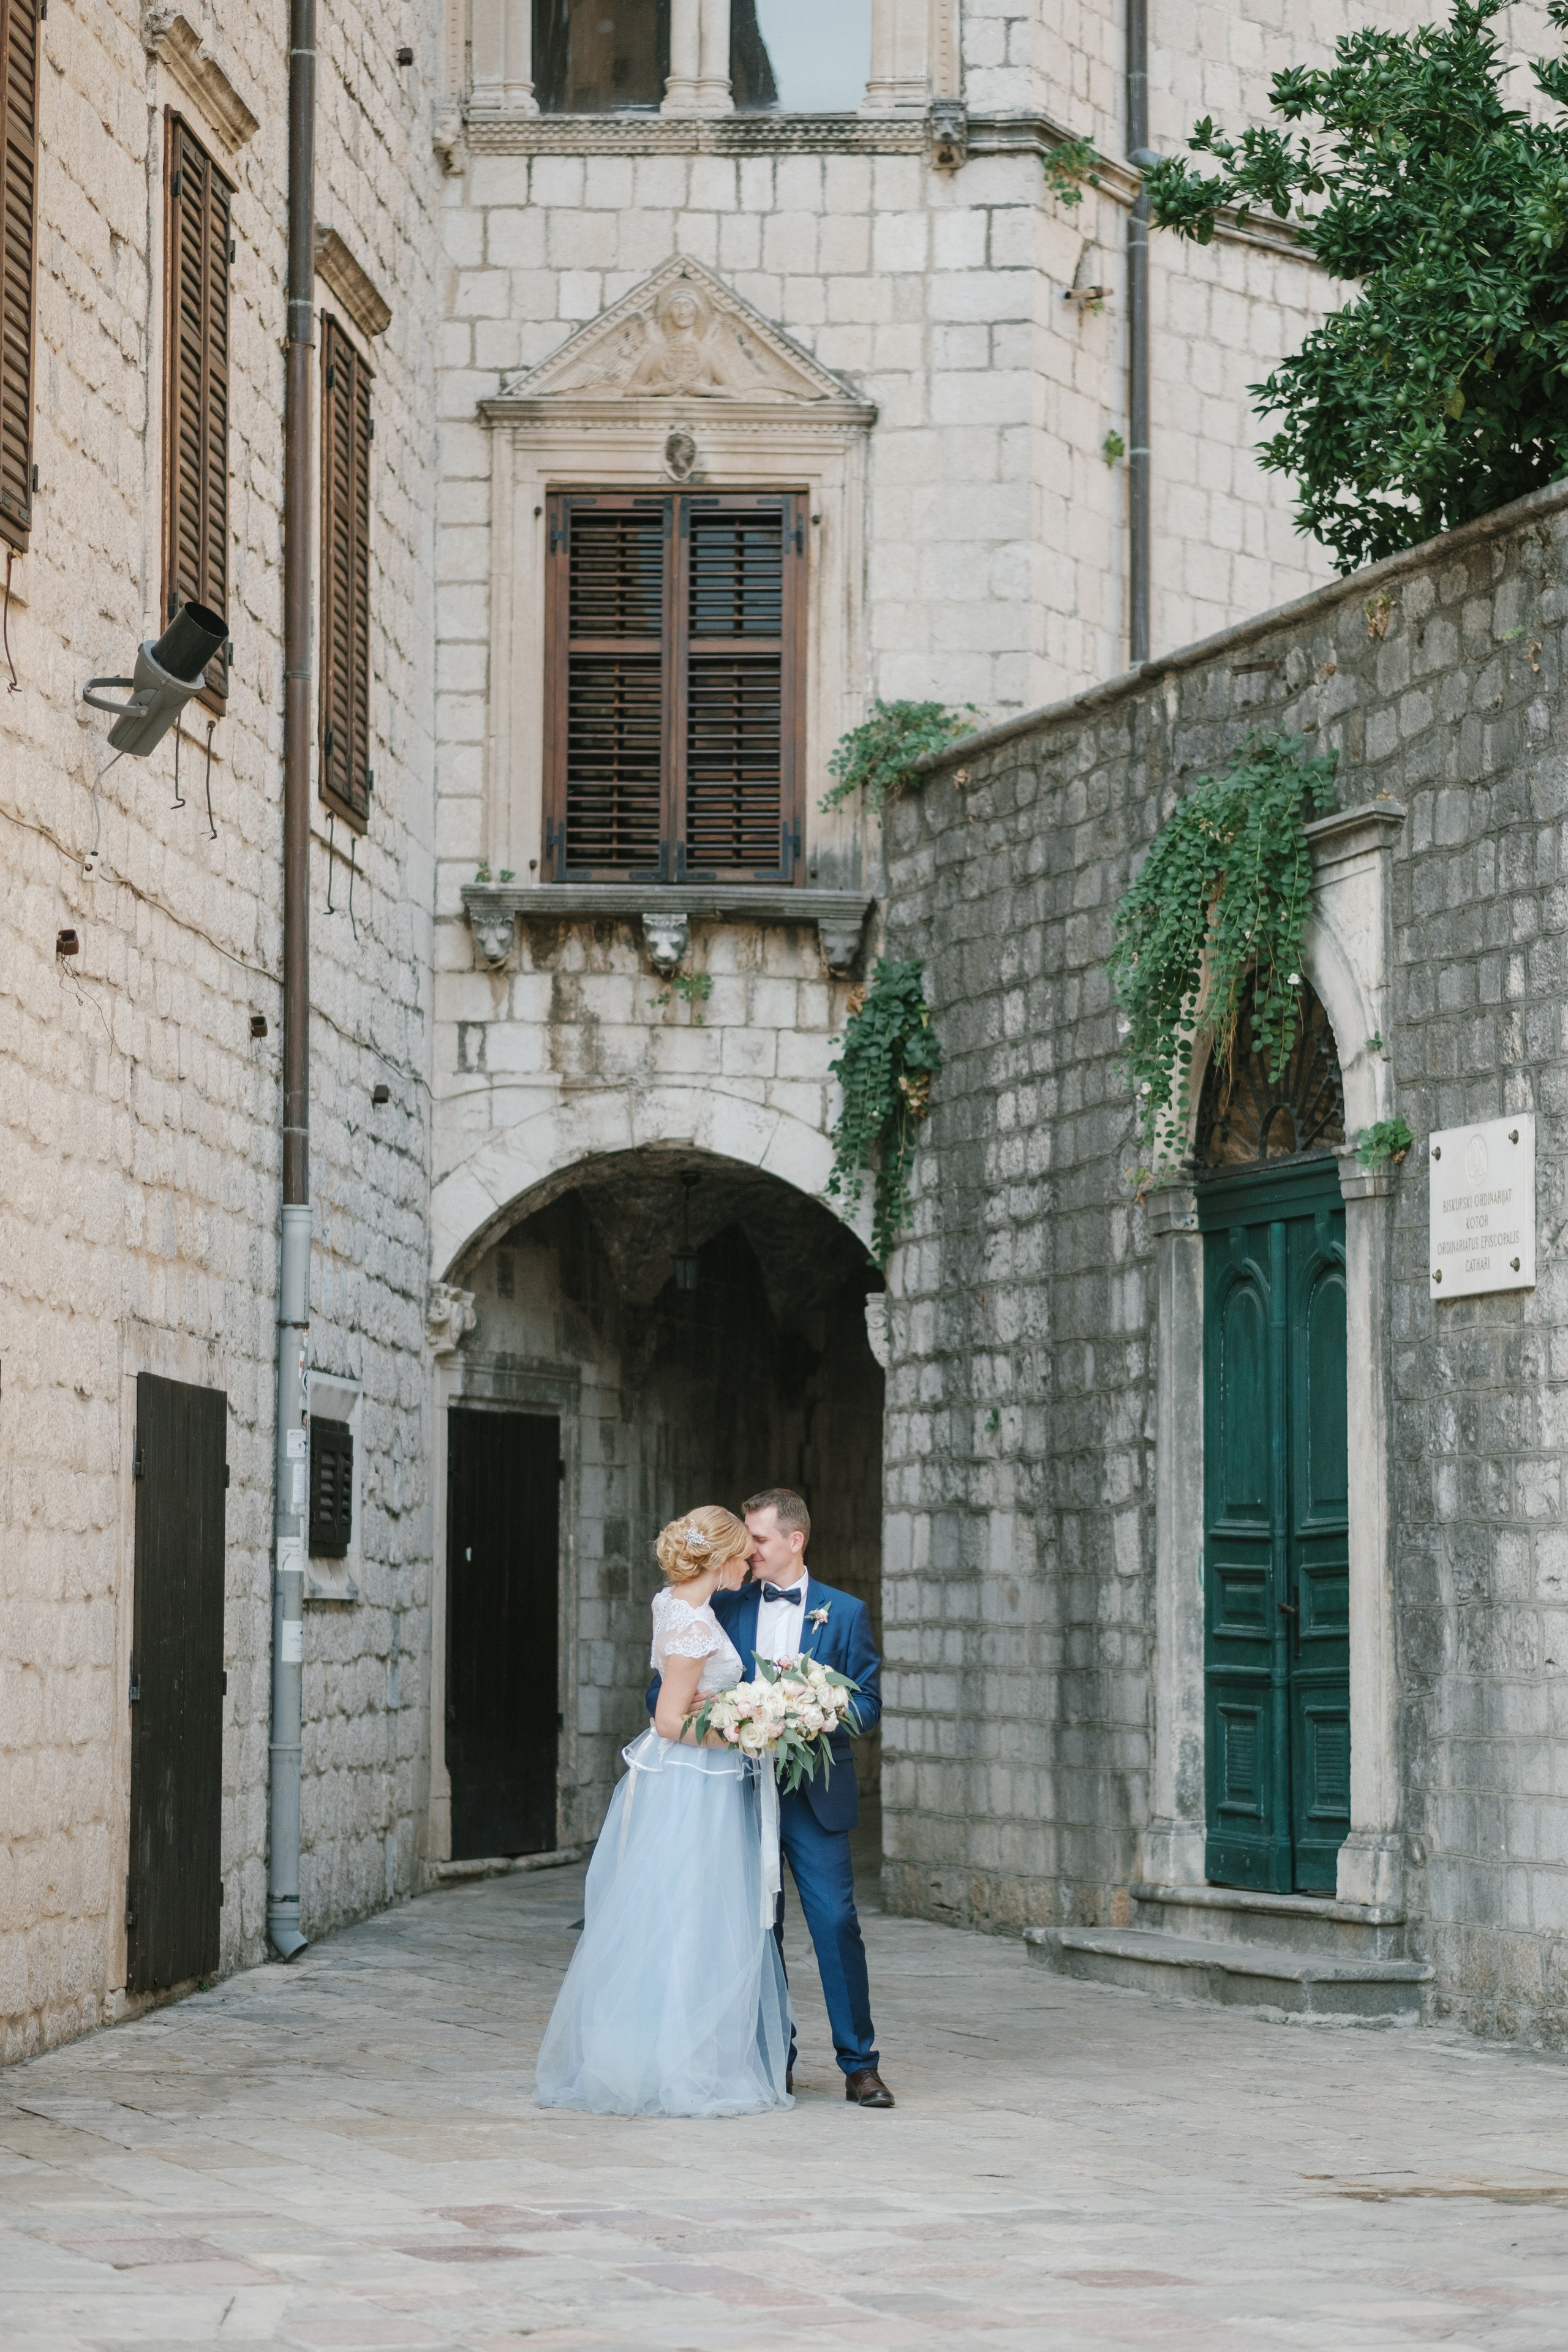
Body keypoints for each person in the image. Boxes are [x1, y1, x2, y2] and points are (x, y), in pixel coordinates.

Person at [535, 1506, 792, 2118]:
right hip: (693, 1784)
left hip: (690, 1780)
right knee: (691, 1918)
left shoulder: (672, 1604)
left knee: (679, 1914)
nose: (749, 1566)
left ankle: (664, 2054)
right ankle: (681, 2067)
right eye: (742, 1557)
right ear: (723, 1558)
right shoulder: (694, 1625)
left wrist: (728, 1705)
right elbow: (670, 1720)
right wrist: (745, 1731)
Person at [647, 1487, 894, 2109]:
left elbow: (868, 1700)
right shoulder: (723, 1602)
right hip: (734, 1793)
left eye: (758, 1539)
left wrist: (818, 1714)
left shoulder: (843, 1612)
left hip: (816, 1796)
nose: (749, 1550)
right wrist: (713, 1716)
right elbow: (663, 1690)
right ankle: (770, 2058)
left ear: (794, 1540)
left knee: (836, 1922)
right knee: (754, 1929)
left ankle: (859, 2064)